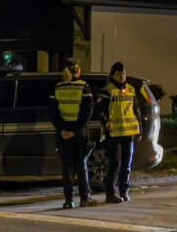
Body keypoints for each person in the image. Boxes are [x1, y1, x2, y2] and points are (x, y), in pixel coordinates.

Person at [48, 58, 96, 209]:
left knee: (67, 166)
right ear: (78, 70)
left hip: (63, 133)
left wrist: (62, 130)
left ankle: (69, 201)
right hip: (79, 132)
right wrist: (75, 130)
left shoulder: (58, 87)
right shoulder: (84, 87)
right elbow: (87, 111)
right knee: (81, 165)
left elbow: (52, 111)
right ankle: (85, 199)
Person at [96, 61, 142, 203]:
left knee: (127, 163)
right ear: (112, 75)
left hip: (129, 133)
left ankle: (124, 191)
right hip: (114, 133)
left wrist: (140, 128)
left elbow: (136, 110)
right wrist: (105, 122)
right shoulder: (106, 91)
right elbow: (100, 111)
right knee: (115, 163)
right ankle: (110, 193)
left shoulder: (131, 90)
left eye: (123, 73)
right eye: (118, 73)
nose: (121, 76)